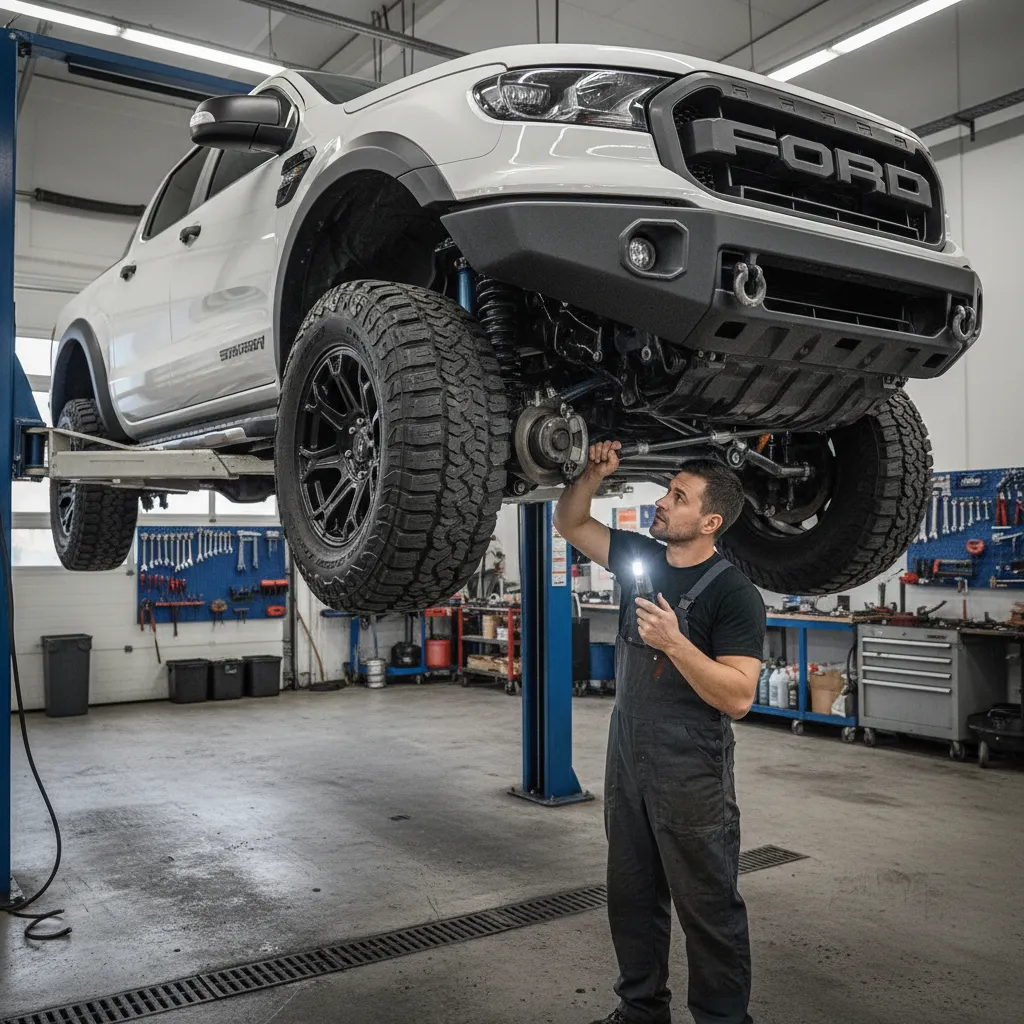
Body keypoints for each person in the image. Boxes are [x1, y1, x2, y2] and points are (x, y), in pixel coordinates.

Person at [553, 441, 766, 1024]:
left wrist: (674, 642)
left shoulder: (734, 594)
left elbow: (740, 696)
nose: (663, 503)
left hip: (689, 765)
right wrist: (592, 474)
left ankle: (723, 1020)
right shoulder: (637, 558)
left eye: (679, 498)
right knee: (632, 892)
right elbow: (569, 521)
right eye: (668, 491)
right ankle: (641, 1010)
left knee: (706, 903)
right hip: (628, 752)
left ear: (710, 521)